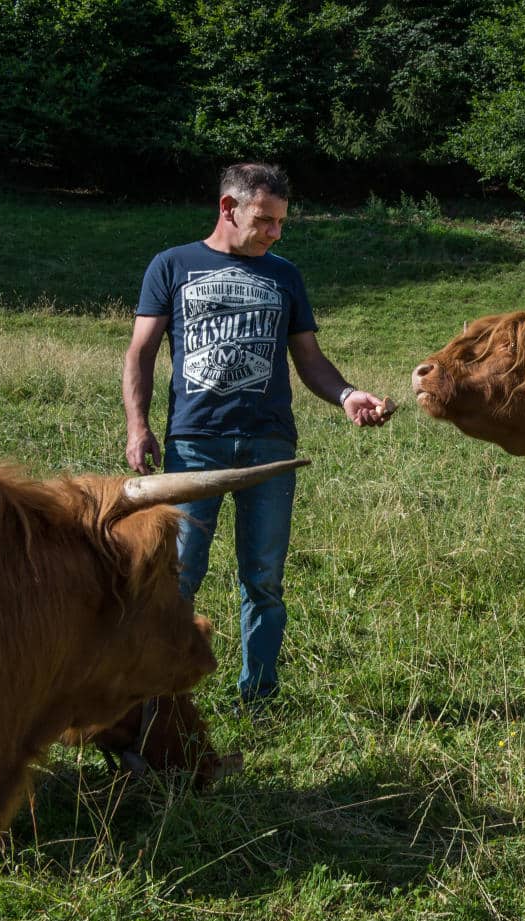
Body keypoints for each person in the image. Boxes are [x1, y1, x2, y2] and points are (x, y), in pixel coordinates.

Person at [122, 162, 392, 710]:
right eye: (265, 220)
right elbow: (141, 352)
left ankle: (260, 696)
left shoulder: (284, 275)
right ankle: (160, 698)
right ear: (229, 208)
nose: (274, 232)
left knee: (264, 578)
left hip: (270, 445)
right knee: (177, 577)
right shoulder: (172, 265)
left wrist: (347, 396)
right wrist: (138, 425)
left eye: (280, 223)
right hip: (194, 442)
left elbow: (310, 359)